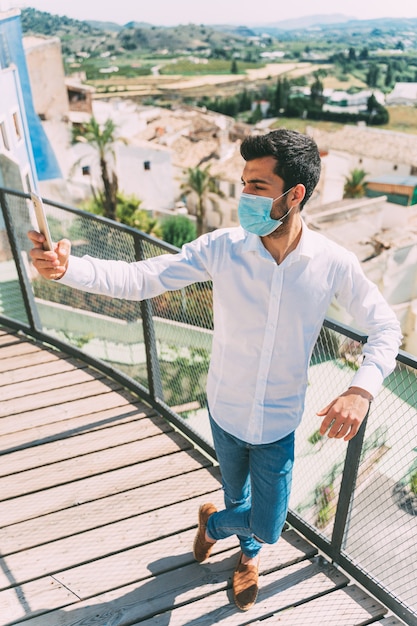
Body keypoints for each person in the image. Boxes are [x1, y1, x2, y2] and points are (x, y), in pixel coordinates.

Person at [28, 129, 402, 612]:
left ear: (295, 195)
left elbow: (385, 327)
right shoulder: (223, 248)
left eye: (257, 187)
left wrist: (361, 389)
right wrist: (67, 269)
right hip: (224, 410)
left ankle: (213, 526)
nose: (244, 196)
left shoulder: (333, 263)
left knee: (268, 524)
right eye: (243, 183)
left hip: (279, 421)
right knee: (236, 493)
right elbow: (143, 278)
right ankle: (246, 560)